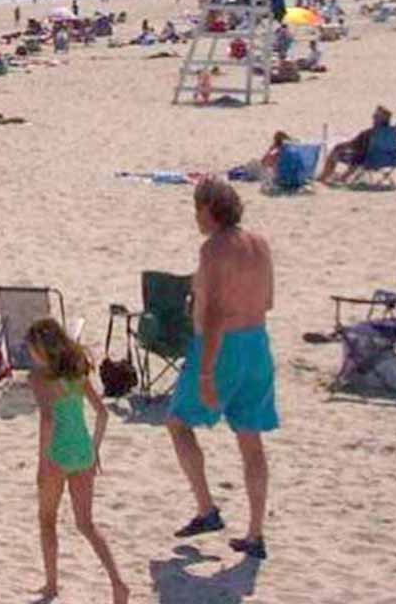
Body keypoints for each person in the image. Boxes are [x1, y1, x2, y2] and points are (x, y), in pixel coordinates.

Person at [167, 178, 278, 561]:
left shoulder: (214, 248)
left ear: (208, 209)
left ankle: (206, 508)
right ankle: (256, 533)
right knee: (251, 439)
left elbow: (214, 311)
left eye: (196, 209)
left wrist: (205, 372)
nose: (195, 217)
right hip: (257, 344)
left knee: (178, 423)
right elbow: (268, 300)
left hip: (221, 347)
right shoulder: (259, 243)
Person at [28, 318, 128, 604]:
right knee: (86, 524)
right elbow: (102, 414)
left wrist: (42, 464)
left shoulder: (39, 379)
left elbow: (47, 421)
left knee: (47, 520)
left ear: (41, 351)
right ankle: (118, 583)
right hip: (83, 452)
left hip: (57, 456)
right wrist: (94, 450)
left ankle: (51, 585)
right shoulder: (77, 372)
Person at [319, 106, 391, 184]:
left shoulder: (370, 134)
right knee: (357, 155)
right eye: (374, 115)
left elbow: (353, 144)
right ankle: (343, 176)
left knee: (337, 152)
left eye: (376, 116)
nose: (373, 117)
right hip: (385, 159)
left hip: (366, 159)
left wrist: (339, 147)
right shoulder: (392, 134)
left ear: (382, 119)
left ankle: (324, 177)